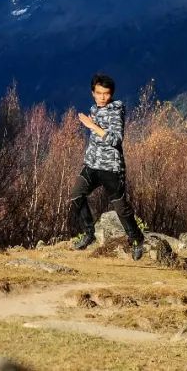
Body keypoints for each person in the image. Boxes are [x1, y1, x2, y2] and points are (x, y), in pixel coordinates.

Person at [70, 73, 145, 258]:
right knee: (76, 196)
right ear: (93, 93)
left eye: (106, 93)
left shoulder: (115, 110)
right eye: (99, 93)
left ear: (111, 94)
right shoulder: (93, 110)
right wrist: (92, 124)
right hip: (91, 165)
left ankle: (136, 239)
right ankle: (89, 234)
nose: (103, 97)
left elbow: (116, 139)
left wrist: (92, 126)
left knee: (121, 208)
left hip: (111, 168)